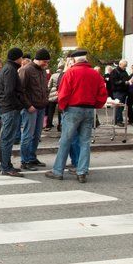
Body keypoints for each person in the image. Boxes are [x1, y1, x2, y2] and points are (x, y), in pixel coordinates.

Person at [45, 48, 108, 183]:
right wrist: (95, 105)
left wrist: (63, 107)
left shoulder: (70, 72)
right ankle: (82, 171)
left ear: (74, 60)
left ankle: (58, 171)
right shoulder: (95, 74)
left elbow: (63, 93)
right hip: (89, 109)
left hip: (73, 109)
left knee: (65, 141)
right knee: (85, 142)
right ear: (86, 59)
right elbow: (102, 94)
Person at [18, 49, 50, 170]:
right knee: (28, 135)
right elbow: (20, 90)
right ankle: (25, 160)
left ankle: (31, 157)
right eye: (45, 61)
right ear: (39, 59)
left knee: (36, 135)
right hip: (30, 108)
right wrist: (28, 105)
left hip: (40, 106)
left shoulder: (42, 70)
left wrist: (45, 100)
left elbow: (44, 88)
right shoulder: (26, 70)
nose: (46, 64)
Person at [0, 47, 26, 177]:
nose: (22, 60)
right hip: (10, 109)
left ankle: (6, 165)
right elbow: (9, 92)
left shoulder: (8, 68)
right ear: (17, 58)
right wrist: (18, 105)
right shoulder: (10, 70)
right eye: (21, 57)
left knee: (7, 138)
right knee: (7, 139)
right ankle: (5, 167)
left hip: (8, 108)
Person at [107, 60, 130, 126]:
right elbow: (114, 82)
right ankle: (118, 121)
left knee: (121, 107)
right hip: (118, 91)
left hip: (124, 91)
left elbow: (126, 78)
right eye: (124, 66)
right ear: (120, 64)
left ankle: (116, 120)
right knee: (118, 106)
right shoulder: (115, 71)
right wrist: (124, 82)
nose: (125, 67)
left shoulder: (124, 71)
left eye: (126, 66)